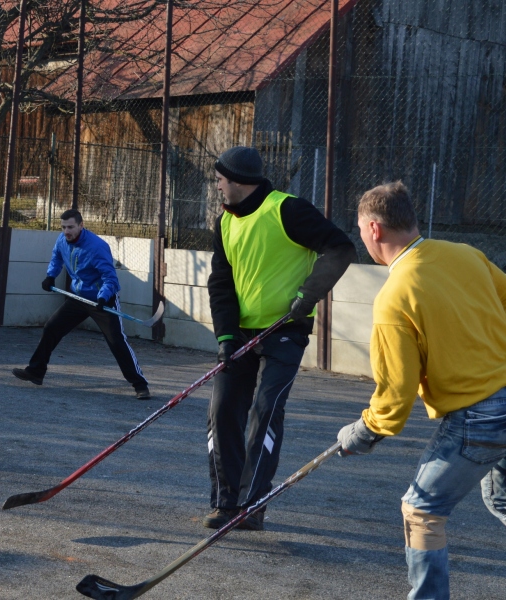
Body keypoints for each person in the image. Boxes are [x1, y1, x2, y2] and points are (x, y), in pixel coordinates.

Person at [336, 181, 506, 600]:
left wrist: (361, 433)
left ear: (374, 229)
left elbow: (394, 396)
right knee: (502, 498)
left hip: (480, 417)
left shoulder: (394, 297)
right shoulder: (467, 255)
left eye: (360, 230)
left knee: (421, 511)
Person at [204, 146, 356, 530]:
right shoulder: (224, 222)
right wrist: (225, 336)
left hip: (285, 331)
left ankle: (252, 504)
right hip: (239, 333)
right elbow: (220, 282)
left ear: (237, 180)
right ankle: (226, 503)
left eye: (220, 179)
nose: (217, 186)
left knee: (265, 410)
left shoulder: (287, 209)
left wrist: (307, 296)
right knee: (222, 409)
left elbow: (339, 248)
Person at [12, 208, 151, 399]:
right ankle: (36, 371)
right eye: (63, 227)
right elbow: (57, 257)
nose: (66, 231)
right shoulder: (62, 240)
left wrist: (103, 297)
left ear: (81, 226)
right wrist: (50, 276)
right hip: (78, 297)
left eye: (70, 227)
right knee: (52, 327)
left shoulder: (97, 247)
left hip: (103, 299)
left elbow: (110, 278)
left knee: (116, 341)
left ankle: (140, 385)